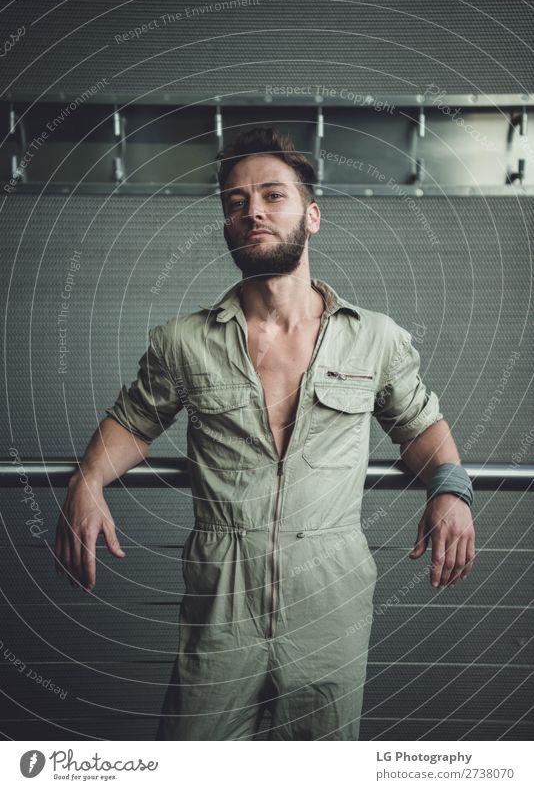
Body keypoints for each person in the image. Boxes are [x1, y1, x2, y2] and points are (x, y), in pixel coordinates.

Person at [55, 127, 476, 741]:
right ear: (227, 224)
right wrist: (88, 479)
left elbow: (420, 427)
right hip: (221, 595)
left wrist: (451, 489)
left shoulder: (374, 338)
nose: (252, 210)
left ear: (311, 215)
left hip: (330, 590)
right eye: (235, 201)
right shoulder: (184, 342)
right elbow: (133, 422)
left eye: (272, 195)